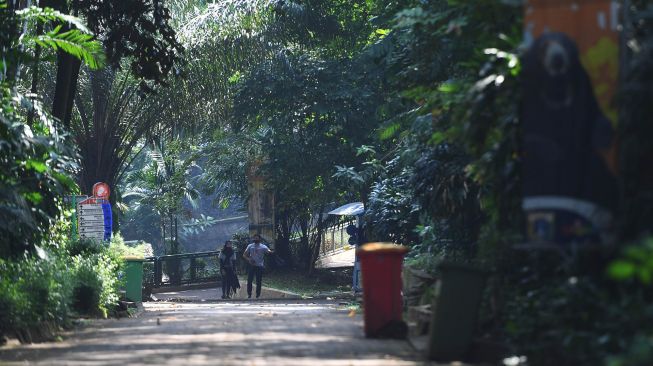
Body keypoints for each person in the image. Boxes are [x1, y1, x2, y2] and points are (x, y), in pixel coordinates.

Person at [243, 234, 273, 299]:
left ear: (259, 239)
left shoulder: (263, 247)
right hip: (251, 265)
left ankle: (257, 295)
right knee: (249, 280)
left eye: (257, 238)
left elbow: (268, 251)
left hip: (259, 266)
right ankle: (249, 295)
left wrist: (271, 252)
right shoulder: (250, 246)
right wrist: (249, 259)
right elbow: (244, 255)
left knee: (258, 281)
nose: (255, 239)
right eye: (254, 238)